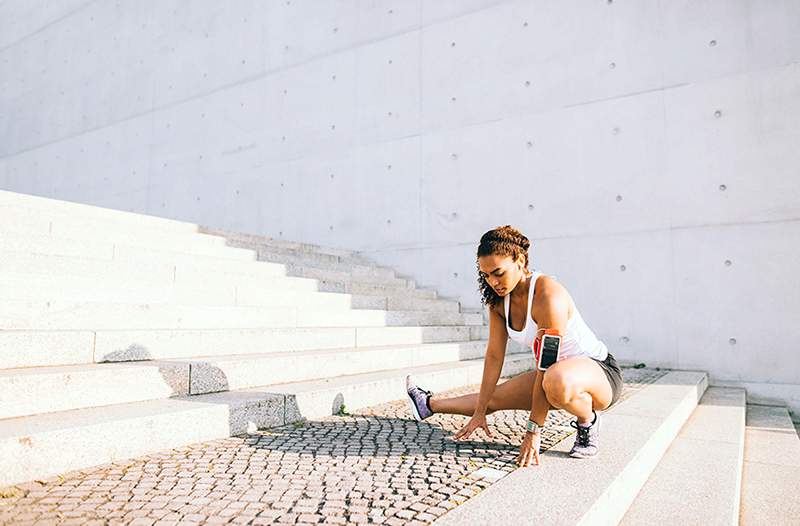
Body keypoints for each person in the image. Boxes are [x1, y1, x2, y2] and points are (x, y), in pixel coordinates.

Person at [405, 225, 623, 466]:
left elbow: (545, 364)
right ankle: (427, 404)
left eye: (498, 273)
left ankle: (588, 420)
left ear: (519, 260)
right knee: (492, 399)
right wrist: (480, 412)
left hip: (599, 375)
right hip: (554, 374)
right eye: (486, 275)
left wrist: (533, 432)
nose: (493, 282)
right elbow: (494, 356)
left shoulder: (548, 296)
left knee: (555, 380)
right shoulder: (498, 301)